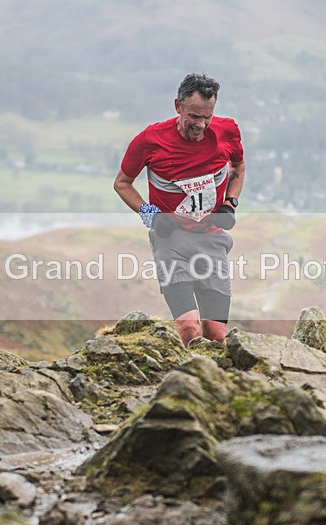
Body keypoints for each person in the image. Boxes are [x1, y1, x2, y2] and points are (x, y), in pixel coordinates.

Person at [113, 73, 245, 346]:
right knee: (188, 327)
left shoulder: (228, 130)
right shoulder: (150, 140)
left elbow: (238, 166)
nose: (201, 125)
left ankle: (210, 373)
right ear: (178, 106)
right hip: (171, 240)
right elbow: (122, 183)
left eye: (207, 117)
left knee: (216, 334)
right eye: (194, 116)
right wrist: (151, 216)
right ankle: (186, 371)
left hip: (211, 238)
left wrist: (229, 204)